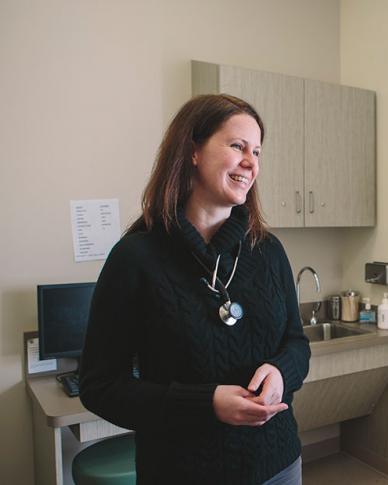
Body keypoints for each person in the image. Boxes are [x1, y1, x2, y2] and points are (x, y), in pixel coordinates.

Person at [80, 94, 310, 485]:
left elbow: (296, 342)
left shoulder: (268, 251)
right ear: (193, 152)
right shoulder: (136, 258)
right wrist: (205, 404)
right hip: (183, 471)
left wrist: (281, 372)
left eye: (257, 151)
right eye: (237, 146)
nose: (251, 162)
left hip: (278, 465)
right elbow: (100, 387)